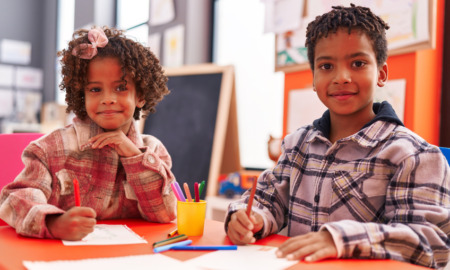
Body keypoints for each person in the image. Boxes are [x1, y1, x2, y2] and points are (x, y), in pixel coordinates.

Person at [225, 4, 450, 269]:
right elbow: (267, 200)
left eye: (358, 63)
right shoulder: (297, 145)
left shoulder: (413, 155)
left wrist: (339, 240)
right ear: (313, 78)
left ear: (381, 73)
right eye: (327, 65)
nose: (341, 77)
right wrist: (249, 218)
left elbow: (431, 243)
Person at [0, 26, 177, 240]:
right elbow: (15, 198)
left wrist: (134, 156)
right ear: (81, 95)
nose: (108, 98)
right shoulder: (50, 149)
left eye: (121, 88)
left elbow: (165, 214)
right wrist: (53, 222)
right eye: (95, 89)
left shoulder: (154, 151)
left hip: (131, 256)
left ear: (140, 96)